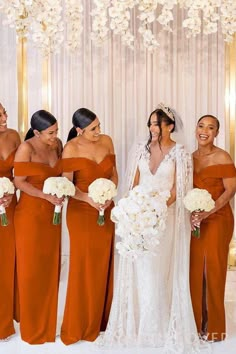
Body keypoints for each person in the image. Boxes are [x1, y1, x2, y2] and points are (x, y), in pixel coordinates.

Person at [97, 103, 200, 353]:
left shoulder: (180, 152)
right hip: (139, 218)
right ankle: (138, 323)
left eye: (157, 123)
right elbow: (133, 182)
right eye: (151, 123)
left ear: (170, 126)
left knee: (158, 269)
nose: (152, 128)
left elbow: (180, 187)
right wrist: (134, 210)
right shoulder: (141, 150)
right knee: (141, 269)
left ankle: (159, 326)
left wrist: (157, 209)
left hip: (165, 218)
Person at [60, 108, 118, 345]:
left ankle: (101, 320)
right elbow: (67, 185)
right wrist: (89, 199)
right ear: (79, 130)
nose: (99, 131)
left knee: (102, 262)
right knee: (83, 265)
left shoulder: (107, 141)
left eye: (99, 126)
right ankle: (79, 323)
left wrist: (109, 194)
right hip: (82, 211)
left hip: (106, 208)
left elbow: (114, 174)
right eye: (93, 128)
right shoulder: (71, 148)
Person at [14, 110, 63, 344]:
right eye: (50, 133)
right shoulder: (27, 149)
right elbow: (19, 182)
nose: (55, 136)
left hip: (52, 216)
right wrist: (45, 195)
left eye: (57, 131)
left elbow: (62, 174)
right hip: (30, 216)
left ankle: (48, 324)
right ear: (36, 132)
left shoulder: (57, 145)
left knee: (49, 268)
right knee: (31, 271)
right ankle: (32, 328)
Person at [190, 115, 236, 342]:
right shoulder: (190, 158)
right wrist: (192, 214)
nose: (204, 131)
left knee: (214, 271)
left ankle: (215, 327)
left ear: (216, 133)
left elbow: (230, 191)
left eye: (210, 127)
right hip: (196, 220)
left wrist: (208, 211)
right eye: (201, 126)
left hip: (219, 218)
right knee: (196, 270)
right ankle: (199, 322)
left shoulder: (222, 156)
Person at [0, 102, 21, 340]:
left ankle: (7, 319)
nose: (5, 117)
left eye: (5, 112)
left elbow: (21, 172)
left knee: (8, 260)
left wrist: (9, 191)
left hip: (11, 204)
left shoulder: (14, 135)